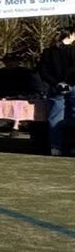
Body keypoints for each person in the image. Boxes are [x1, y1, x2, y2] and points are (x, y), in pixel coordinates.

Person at [40, 26, 75, 157]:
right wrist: (68, 82)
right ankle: (72, 146)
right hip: (73, 86)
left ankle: (56, 147)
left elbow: (43, 71)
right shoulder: (73, 51)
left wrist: (57, 83)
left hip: (56, 88)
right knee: (73, 116)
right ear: (70, 35)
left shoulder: (48, 52)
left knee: (55, 117)